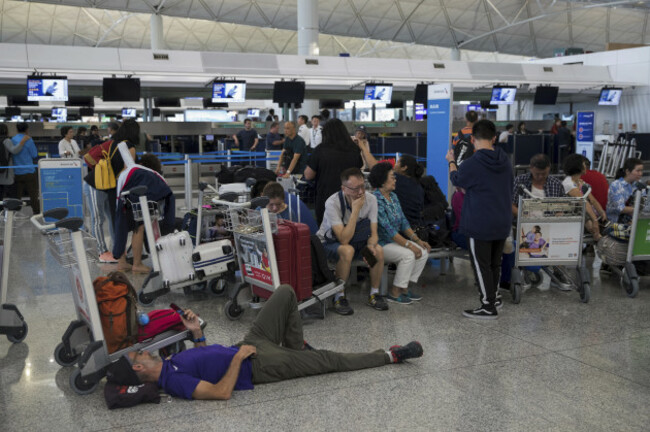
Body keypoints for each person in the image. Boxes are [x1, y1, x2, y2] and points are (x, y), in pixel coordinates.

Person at [127, 285, 423, 400]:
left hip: (249, 344)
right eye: (135, 355)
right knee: (331, 361)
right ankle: (391, 355)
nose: (140, 350)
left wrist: (197, 334)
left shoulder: (171, 364)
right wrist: (238, 358)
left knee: (285, 292)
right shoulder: (173, 383)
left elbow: (205, 363)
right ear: (140, 365)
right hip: (258, 365)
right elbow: (220, 392)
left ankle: (298, 350)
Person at [446, 119, 513, 319]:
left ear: (473, 138)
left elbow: (457, 180)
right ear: (494, 138)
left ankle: (487, 306)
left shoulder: (472, 163)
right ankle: (495, 297)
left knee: (481, 264)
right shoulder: (505, 160)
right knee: (495, 263)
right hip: (502, 220)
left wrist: (451, 161)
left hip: (479, 222)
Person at [317, 167, 386, 314]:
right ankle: (339, 296)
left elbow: (374, 233)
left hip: (358, 242)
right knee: (347, 250)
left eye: (362, 186)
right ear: (344, 188)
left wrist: (372, 246)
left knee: (378, 251)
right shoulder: (332, 203)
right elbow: (343, 239)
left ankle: (374, 293)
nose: (361, 192)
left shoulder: (371, 199)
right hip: (330, 244)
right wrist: (355, 210)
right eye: (355, 189)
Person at [369, 163, 430, 304]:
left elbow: (403, 222)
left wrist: (418, 241)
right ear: (382, 180)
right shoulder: (375, 200)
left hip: (395, 241)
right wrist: (409, 245)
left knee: (423, 252)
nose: (395, 180)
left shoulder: (394, 197)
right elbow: (388, 230)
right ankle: (395, 292)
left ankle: (404, 288)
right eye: (392, 177)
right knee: (409, 254)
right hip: (381, 243)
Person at [303, 119, 364, 225]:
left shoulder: (320, 149)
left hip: (326, 197)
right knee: (351, 228)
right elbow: (359, 168)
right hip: (350, 197)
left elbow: (308, 175)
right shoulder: (353, 149)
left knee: (327, 231)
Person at [562, 154, 605, 240]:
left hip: (582, 216)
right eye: (584, 164)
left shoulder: (580, 182)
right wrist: (595, 220)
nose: (586, 167)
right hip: (573, 217)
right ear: (578, 166)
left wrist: (602, 213)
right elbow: (583, 202)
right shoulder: (569, 184)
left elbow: (592, 200)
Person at [11, 123, 39, 215]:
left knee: (17, 195)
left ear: (17, 129)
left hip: (17, 171)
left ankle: (15, 213)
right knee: (33, 195)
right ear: (27, 129)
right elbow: (34, 154)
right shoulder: (29, 139)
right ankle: (36, 212)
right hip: (29, 171)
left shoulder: (13, 139)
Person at [606, 157, 644, 224]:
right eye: (638, 171)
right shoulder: (616, 185)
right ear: (627, 172)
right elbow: (621, 209)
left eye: (641, 171)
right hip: (616, 223)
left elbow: (645, 204)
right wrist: (638, 209)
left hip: (635, 220)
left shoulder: (638, 185)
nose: (640, 173)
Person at [392, 154, 425, 227]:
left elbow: (376, 169)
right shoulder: (418, 186)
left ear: (404, 168)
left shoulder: (399, 181)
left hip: (404, 229)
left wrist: (364, 148)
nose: (395, 164)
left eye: (397, 162)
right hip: (416, 227)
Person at [0, 123, 29, 200]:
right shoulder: (6, 140)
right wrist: (22, 141)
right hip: (6, 171)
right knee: (12, 193)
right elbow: (14, 150)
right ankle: (11, 209)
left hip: (1, 170)